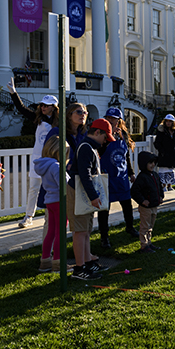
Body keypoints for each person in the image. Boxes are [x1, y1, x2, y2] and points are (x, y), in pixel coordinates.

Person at [6, 79, 59, 228]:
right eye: (41, 105)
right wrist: (13, 92)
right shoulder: (38, 119)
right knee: (34, 188)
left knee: (54, 189)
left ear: (53, 108)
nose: (42, 107)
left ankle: (54, 216)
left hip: (53, 161)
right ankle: (29, 216)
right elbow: (21, 108)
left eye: (45, 105)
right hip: (38, 160)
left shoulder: (60, 123)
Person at [69, 118, 113, 280]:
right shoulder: (86, 148)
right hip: (79, 192)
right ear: (97, 132)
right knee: (80, 231)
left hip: (85, 194)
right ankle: (79, 268)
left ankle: (87, 262)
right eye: (105, 137)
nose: (105, 141)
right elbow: (84, 174)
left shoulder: (92, 148)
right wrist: (93, 196)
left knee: (86, 230)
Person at [99, 107, 138, 246]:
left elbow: (126, 156)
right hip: (106, 177)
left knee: (127, 204)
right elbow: (101, 151)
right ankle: (104, 237)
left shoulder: (123, 135)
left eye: (113, 118)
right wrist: (109, 137)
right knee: (104, 209)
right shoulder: (101, 134)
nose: (110, 120)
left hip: (121, 176)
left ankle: (130, 227)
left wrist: (131, 172)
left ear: (118, 120)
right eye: (108, 118)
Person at [33, 135, 69, 273]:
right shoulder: (56, 166)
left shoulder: (44, 165)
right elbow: (64, 185)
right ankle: (59, 262)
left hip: (50, 202)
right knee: (60, 233)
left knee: (51, 232)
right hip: (60, 202)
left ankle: (45, 260)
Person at [131, 151, 164, 253]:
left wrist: (161, 196)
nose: (153, 165)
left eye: (154, 162)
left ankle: (149, 242)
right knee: (145, 226)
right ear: (144, 164)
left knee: (150, 226)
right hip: (146, 207)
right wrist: (142, 201)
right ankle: (144, 245)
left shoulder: (154, 175)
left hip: (154, 205)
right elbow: (134, 191)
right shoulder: (142, 177)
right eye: (150, 163)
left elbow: (159, 186)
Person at [154, 114, 175, 191]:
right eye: (167, 121)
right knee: (163, 171)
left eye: (170, 121)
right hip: (164, 154)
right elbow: (157, 143)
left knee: (171, 170)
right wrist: (162, 151)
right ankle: (163, 186)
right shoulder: (161, 131)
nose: (168, 123)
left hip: (172, 154)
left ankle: (170, 185)